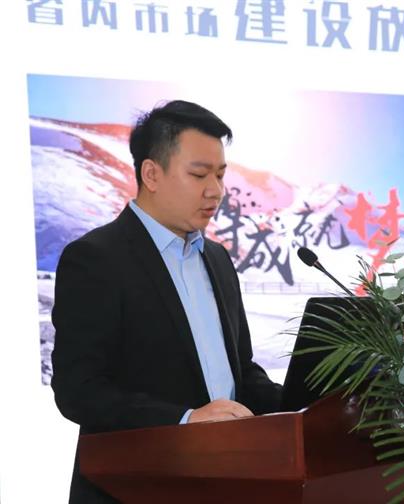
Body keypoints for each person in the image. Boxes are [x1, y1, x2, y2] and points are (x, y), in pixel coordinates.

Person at [51, 100, 283, 503]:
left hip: (225, 483)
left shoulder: (217, 259)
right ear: (151, 174)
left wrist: (308, 404)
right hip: (132, 489)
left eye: (220, 174)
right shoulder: (95, 259)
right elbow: (79, 390)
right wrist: (185, 420)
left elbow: (241, 375)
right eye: (199, 174)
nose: (215, 191)